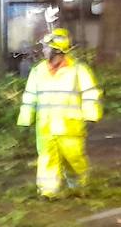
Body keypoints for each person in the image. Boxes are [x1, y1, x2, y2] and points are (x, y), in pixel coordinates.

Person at [17, 29, 102, 197]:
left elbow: (90, 94)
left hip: (70, 126)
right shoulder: (38, 71)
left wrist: (91, 117)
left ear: (57, 50)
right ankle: (49, 192)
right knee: (47, 160)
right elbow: (30, 97)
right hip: (46, 127)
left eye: (47, 47)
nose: (43, 50)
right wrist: (25, 120)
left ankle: (79, 188)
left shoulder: (78, 70)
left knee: (74, 159)